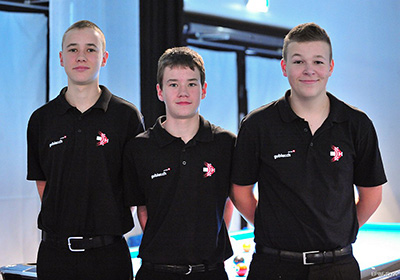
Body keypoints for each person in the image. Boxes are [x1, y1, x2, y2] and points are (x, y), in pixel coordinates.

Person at [230, 22, 387, 280]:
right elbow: (240, 192)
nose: (309, 70)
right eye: (298, 61)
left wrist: (337, 232)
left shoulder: (357, 125)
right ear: (284, 67)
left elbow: (372, 195)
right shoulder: (258, 125)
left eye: (317, 61)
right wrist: (274, 227)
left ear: (330, 67)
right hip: (273, 266)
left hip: (338, 267)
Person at [27, 20, 144, 280]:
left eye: (91, 49)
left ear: (104, 58)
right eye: (72, 49)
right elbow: (43, 184)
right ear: (61, 58)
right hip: (55, 256)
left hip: (109, 256)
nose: (81, 56)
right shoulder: (41, 120)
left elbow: (133, 187)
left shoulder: (126, 117)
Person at [123, 46, 235, 280]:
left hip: (211, 273)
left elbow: (227, 202)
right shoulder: (139, 148)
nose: (183, 92)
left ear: (203, 90)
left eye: (191, 84)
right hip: (156, 272)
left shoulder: (225, 144)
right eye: (173, 84)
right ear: (159, 91)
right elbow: (142, 210)